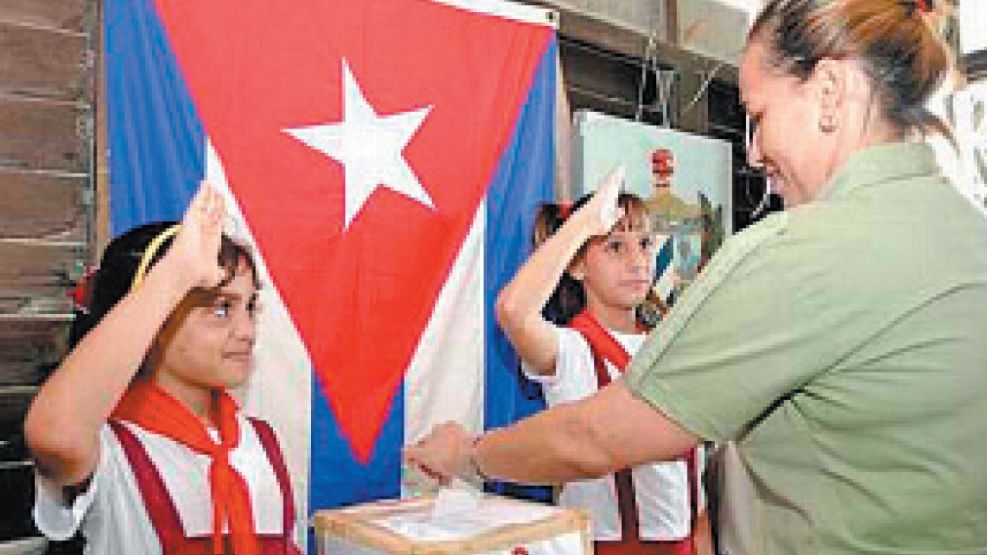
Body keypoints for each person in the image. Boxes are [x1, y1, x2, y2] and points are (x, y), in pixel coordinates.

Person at [404, 0, 987, 554]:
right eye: (615, 246)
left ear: (830, 91)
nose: (754, 153)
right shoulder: (967, 234)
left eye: (758, 117)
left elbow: (595, 439)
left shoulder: (797, 255)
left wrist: (472, 453)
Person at [25, 186, 301, 555]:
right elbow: (53, 433)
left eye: (250, 307)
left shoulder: (260, 442)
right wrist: (176, 273)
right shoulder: (110, 451)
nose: (247, 331)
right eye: (221, 308)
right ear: (154, 322)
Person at [495, 171, 711, 555]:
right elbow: (514, 311)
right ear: (578, 268)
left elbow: (694, 487)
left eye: (644, 244)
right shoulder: (570, 350)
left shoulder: (669, 349)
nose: (637, 261)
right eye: (615, 247)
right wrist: (582, 225)